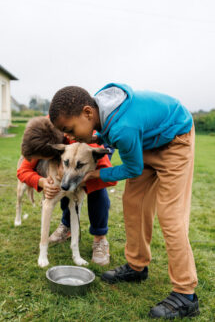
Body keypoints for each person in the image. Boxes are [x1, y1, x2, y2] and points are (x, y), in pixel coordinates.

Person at [48, 84, 199, 319]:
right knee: (133, 205)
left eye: (70, 129)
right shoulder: (101, 113)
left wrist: (95, 174)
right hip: (147, 141)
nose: (70, 137)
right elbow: (115, 140)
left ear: (87, 113)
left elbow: (132, 167)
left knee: (171, 216)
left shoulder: (123, 127)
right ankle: (137, 267)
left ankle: (185, 294)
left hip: (175, 140)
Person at [17, 116, 116, 266]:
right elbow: (23, 170)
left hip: (98, 139)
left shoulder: (86, 140)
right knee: (65, 189)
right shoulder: (38, 136)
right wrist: (42, 181)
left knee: (96, 190)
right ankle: (66, 225)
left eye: (41, 158)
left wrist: (86, 178)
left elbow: (110, 177)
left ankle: (100, 238)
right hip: (65, 147)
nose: (42, 160)